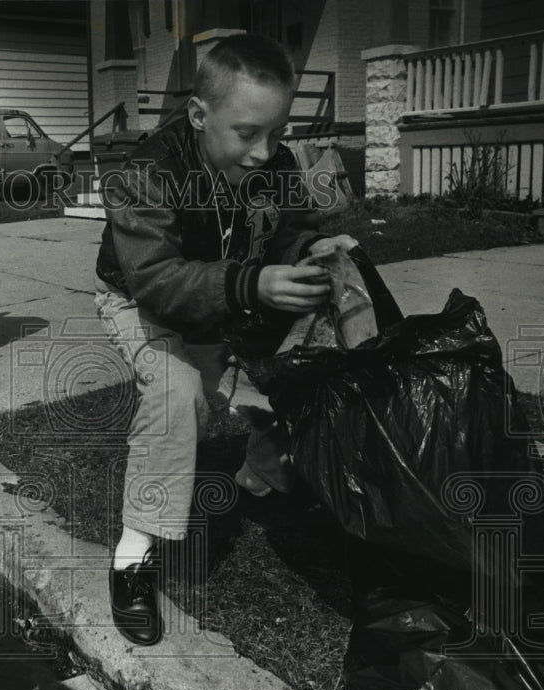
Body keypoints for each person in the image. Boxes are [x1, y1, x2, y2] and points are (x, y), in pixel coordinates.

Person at [94, 33, 359, 645]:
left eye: (277, 131)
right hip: (140, 301)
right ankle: (132, 560)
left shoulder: (278, 163)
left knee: (300, 378)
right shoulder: (146, 170)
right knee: (178, 391)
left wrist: (310, 250)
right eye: (246, 133)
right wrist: (251, 284)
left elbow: (294, 228)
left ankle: (253, 486)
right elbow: (156, 282)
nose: (266, 151)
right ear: (197, 114)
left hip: (233, 294)